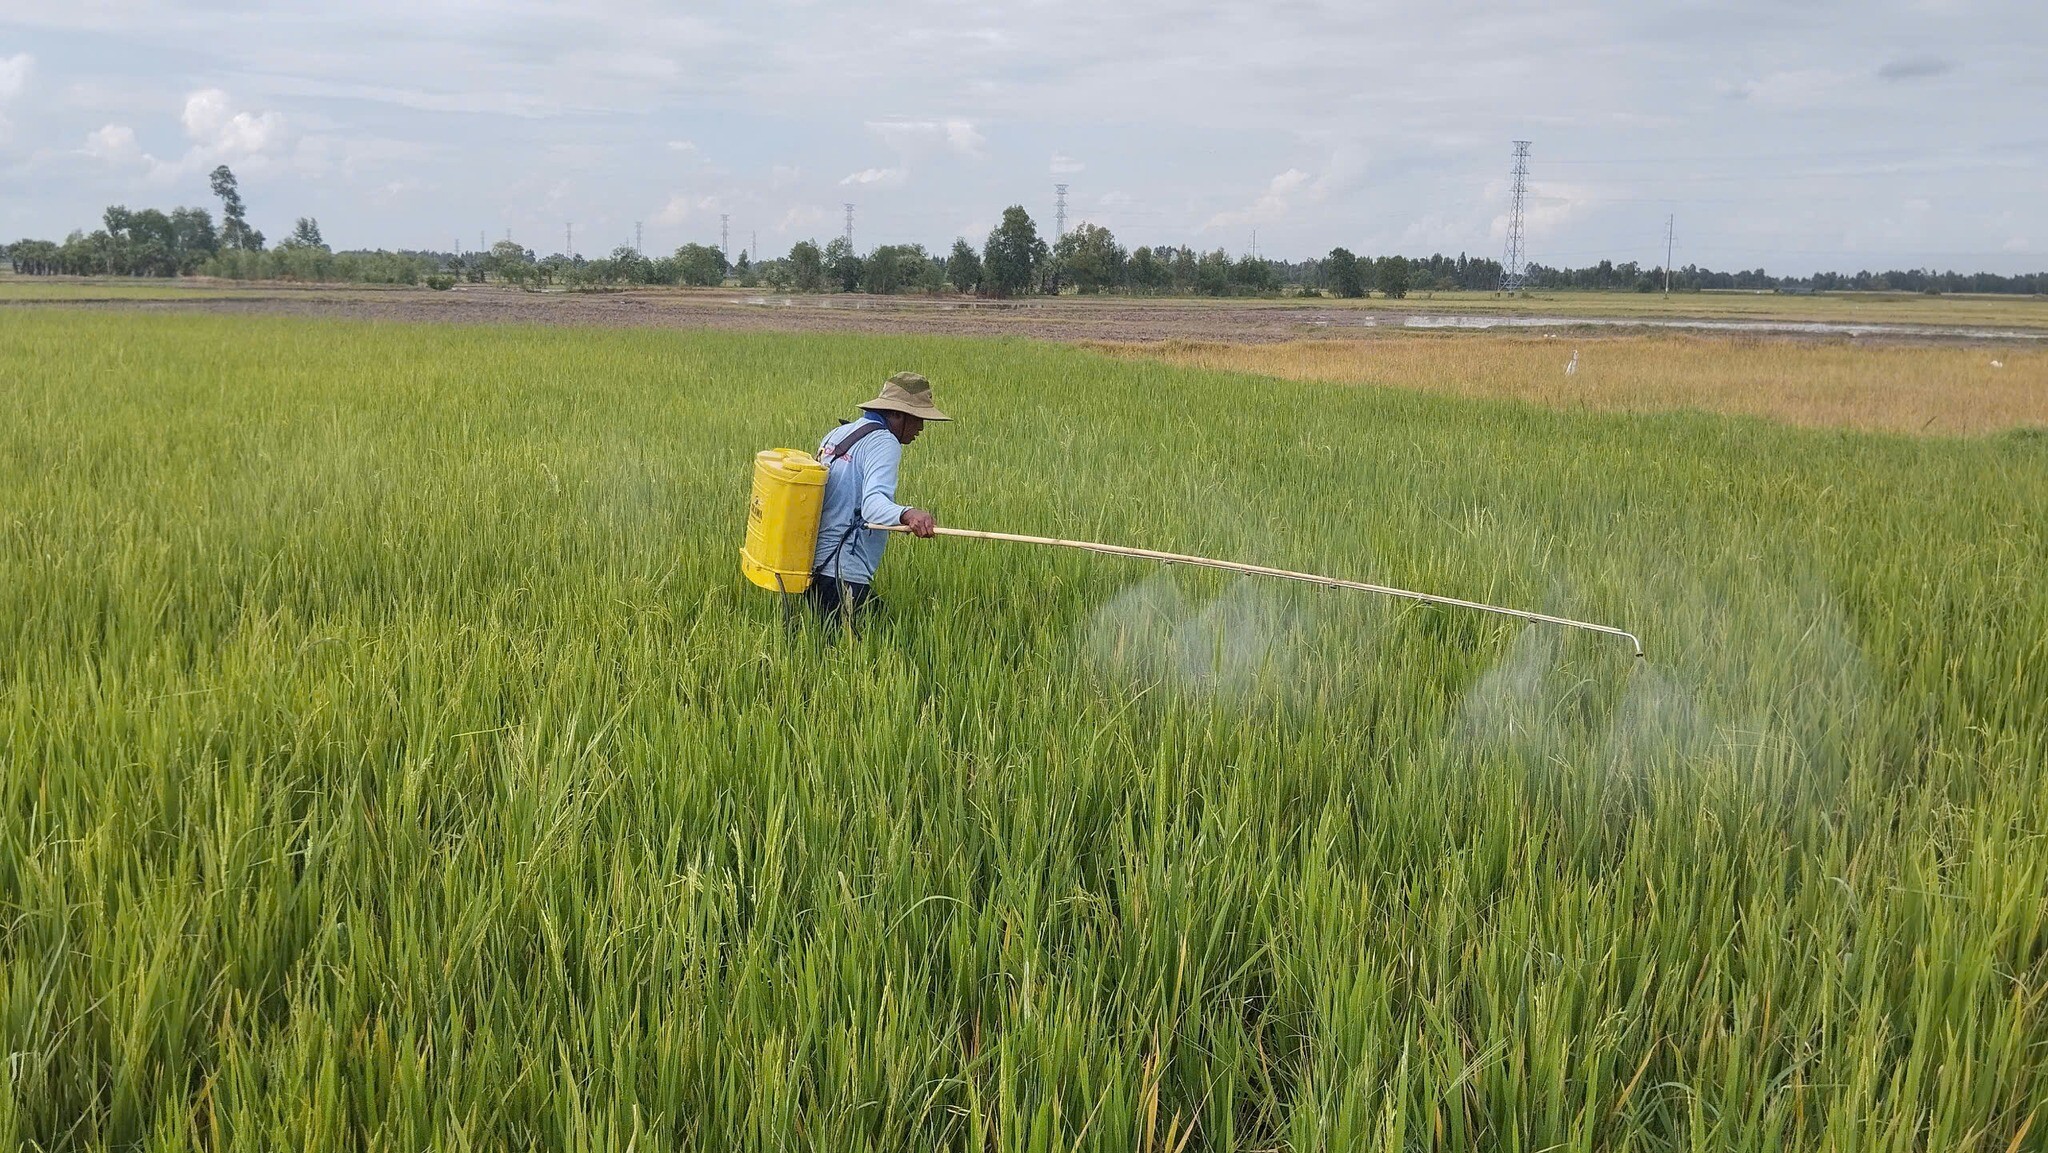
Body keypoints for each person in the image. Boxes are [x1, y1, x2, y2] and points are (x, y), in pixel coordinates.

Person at [808, 371, 948, 618]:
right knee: (883, 636)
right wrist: (908, 514)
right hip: (843, 570)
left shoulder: (837, 434)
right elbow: (872, 505)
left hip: (812, 567)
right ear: (897, 414)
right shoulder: (884, 442)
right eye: (917, 418)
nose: (921, 427)